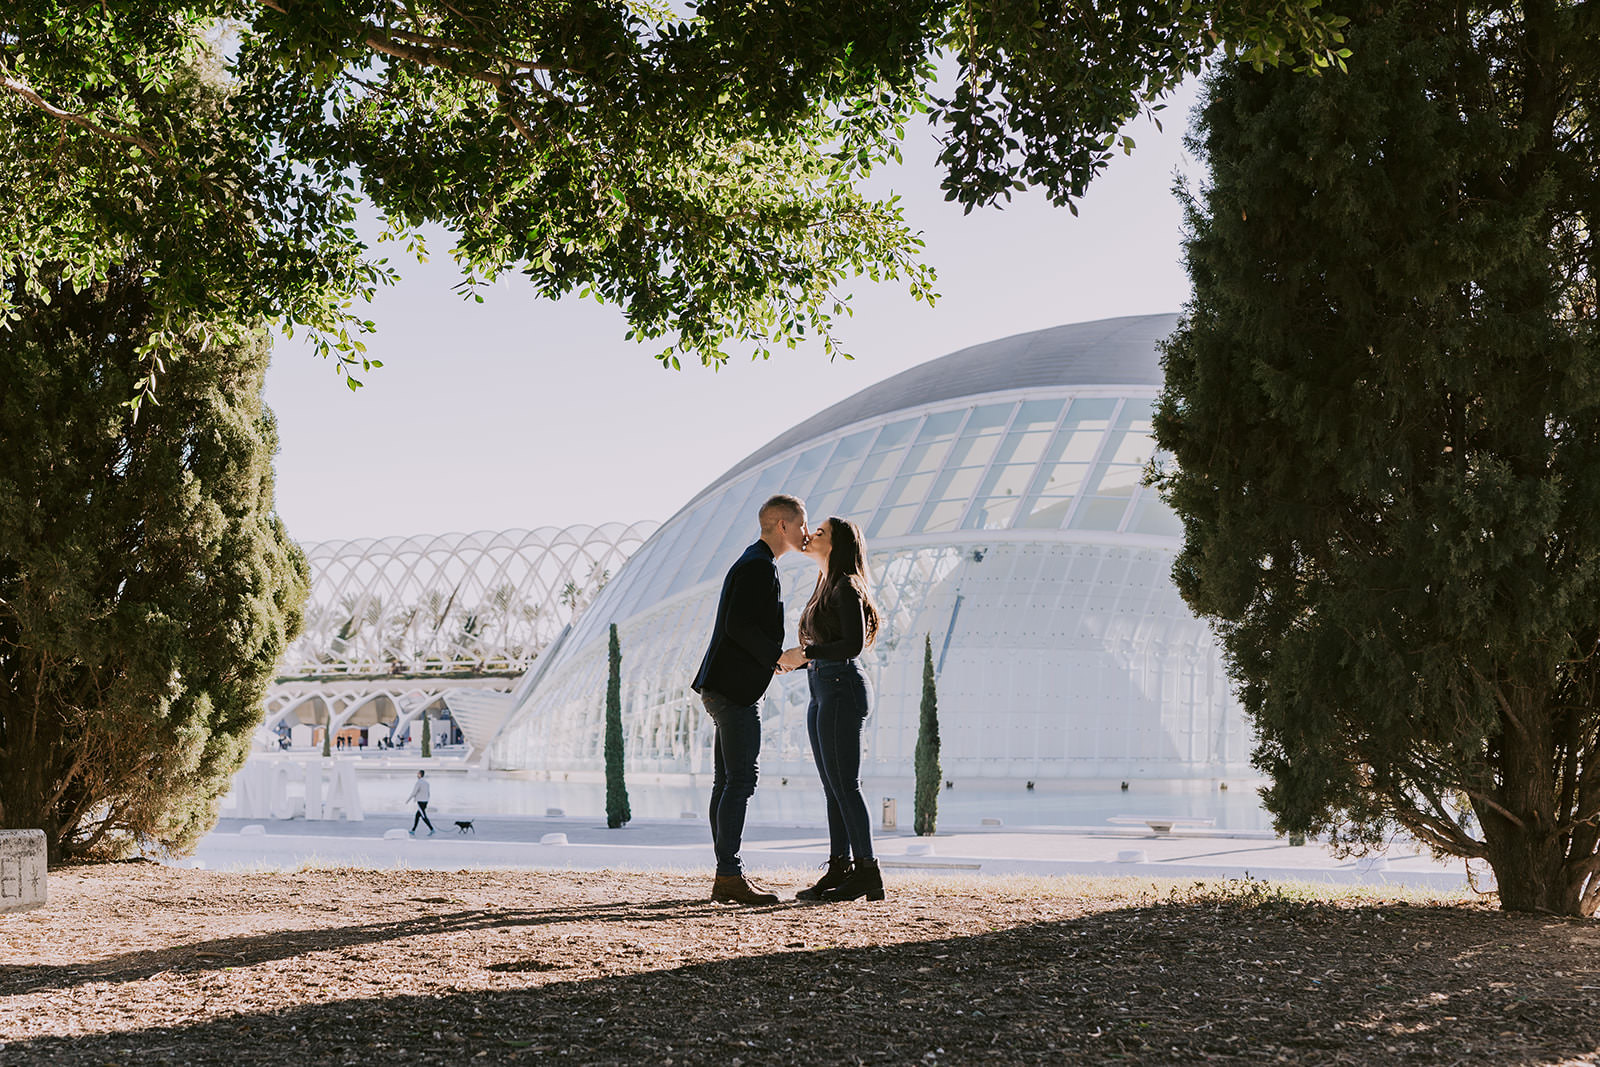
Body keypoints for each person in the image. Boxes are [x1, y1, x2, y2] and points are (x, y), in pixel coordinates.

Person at [692, 493, 809, 905]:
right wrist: (779, 657)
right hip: (735, 691)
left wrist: (773, 661)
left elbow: (737, 628)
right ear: (782, 526)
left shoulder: (751, 561)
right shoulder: (759, 566)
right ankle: (729, 874)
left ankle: (727, 871)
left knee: (726, 781)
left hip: (722, 685)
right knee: (740, 781)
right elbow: (740, 626)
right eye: (801, 525)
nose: (805, 533)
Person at [784, 516, 885, 902]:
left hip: (842, 686)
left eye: (820, 532)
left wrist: (805, 653)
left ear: (837, 544)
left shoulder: (846, 587)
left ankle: (867, 873)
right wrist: (797, 661)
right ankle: (840, 867)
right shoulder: (824, 583)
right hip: (823, 686)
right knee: (833, 788)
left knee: (846, 785)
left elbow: (852, 644)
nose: (811, 535)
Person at [406, 769, 435, 835]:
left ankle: (432, 829)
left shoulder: (419, 782)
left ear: (420, 774)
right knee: (417, 815)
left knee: (423, 816)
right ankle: (413, 830)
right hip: (425, 801)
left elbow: (414, 792)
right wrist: (427, 801)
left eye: (418, 773)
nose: (417, 775)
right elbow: (428, 793)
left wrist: (408, 800)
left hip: (420, 802)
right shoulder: (427, 783)